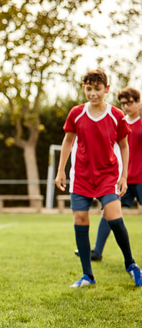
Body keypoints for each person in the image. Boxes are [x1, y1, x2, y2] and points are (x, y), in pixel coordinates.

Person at [55, 69, 142, 288]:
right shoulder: (76, 113)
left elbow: (123, 146)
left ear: (107, 89)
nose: (93, 93)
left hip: (107, 175)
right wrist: (61, 170)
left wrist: (124, 175)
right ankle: (88, 276)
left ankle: (131, 265)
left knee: (114, 218)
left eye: (98, 89)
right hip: (81, 176)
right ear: (84, 88)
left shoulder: (116, 115)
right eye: (89, 89)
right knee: (80, 221)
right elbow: (67, 141)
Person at [73, 87, 142, 261]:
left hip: (140, 178)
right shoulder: (116, 120)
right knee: (108, 213)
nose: (126, 106)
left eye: (130, 102)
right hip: (120, 178)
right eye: (123, 103)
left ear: (139, 102)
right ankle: (97, 251)